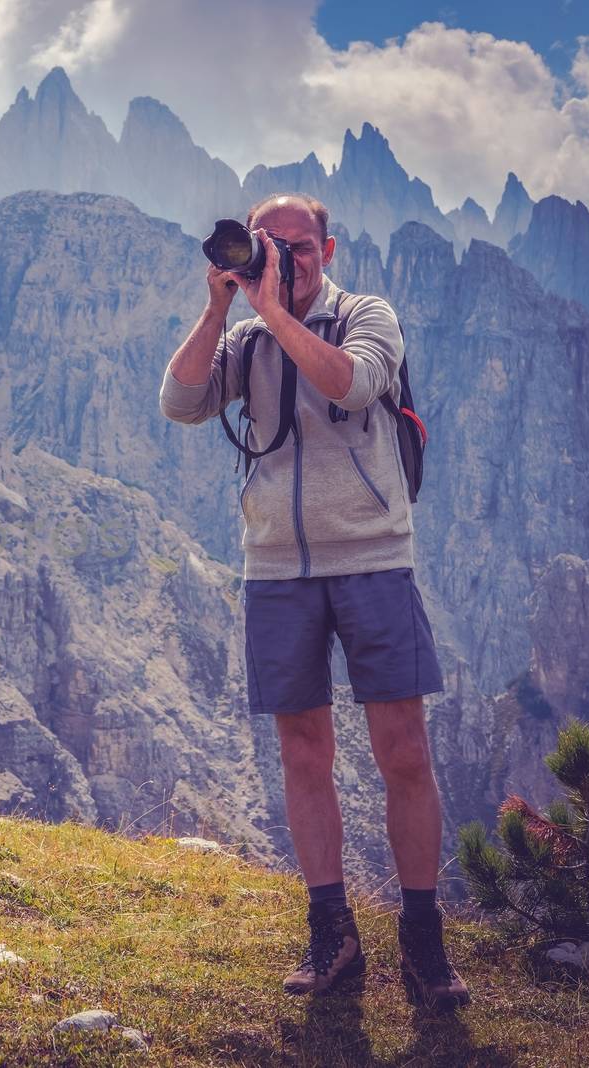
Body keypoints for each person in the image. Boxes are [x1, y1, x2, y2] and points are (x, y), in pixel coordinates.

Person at [157, 192, 471, 1012]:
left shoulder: (367, 315)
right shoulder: (246, 334)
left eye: (298, 246)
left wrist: (276, 312)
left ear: (326, 249)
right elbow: (182, 403)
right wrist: (219, 306)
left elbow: (353, 382)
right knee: (303, 753)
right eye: (268, 244)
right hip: (276, 570)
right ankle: (331, 936)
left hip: (372, 559)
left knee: (403, 749)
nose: (283, 258)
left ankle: (424, 939)